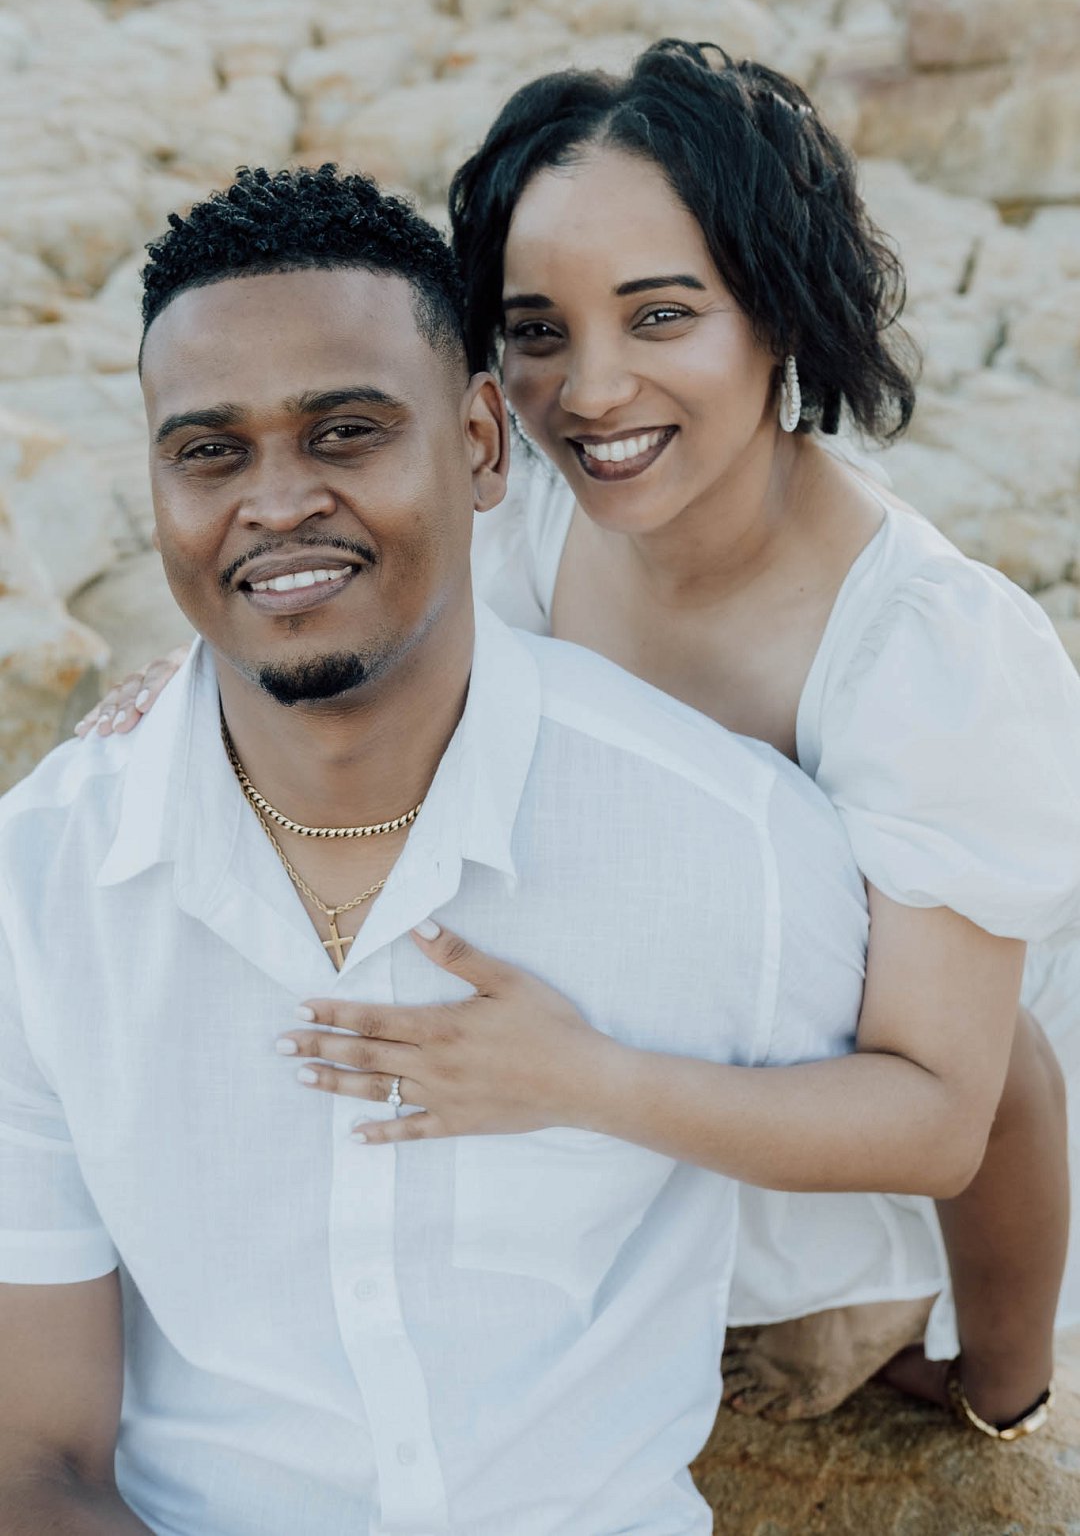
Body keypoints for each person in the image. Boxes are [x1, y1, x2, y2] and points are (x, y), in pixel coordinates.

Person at [91, 43, 1080, 1438]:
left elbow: (959, 1111)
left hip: (820, 1149)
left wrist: (1000, 1415)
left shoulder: (927, 656)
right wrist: (204, 674)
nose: (592, 392)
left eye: (661, 315)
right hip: (585, 1077)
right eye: (537, 330)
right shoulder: (528, 517)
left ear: (778, 312)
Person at [0, 165, 877, 1536]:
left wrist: (994, 1385)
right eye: (209, 452)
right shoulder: (41, 888)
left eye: (345, 432)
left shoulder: (726, 841)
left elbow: (970, 1095)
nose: (274, 502)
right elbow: (37, 1463)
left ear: (480, 443)